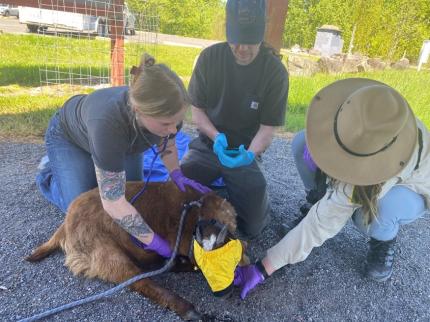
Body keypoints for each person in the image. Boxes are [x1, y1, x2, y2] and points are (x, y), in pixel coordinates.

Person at [234, 78, 430, 299]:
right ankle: (318, 198)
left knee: (372, 212)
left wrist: (262, 268)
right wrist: (323, 158)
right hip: (375, 157)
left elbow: (319, 225)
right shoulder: (367, 112)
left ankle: (383, 239)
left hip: (414, 186)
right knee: (302, 143)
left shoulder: (385, 168)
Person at [38, 53, 211, 259]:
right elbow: (113, 203)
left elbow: (169, 143)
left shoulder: (169, 115)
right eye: (166, 124)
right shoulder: (108, 124)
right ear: (139, 110)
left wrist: (176, 174)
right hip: (70, 137)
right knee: (82, 208)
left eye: (177, 121)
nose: (174, 128)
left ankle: (97, 167)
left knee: (134, 199)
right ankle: (50, 173)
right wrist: (158, 244)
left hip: (122, 145)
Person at [180, 0, 289, 239]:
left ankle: (246, 191)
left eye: (250, 42)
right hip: (209, 144)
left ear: (261, 35)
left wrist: (249, 154)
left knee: (253, 227)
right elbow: (196, 111)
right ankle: (220, 188)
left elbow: (268, 128)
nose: (241, 48)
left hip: (245, 149)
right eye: (235, 40)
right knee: (179, 197)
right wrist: (216, 136)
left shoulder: (275, 72)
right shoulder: (210, 58)